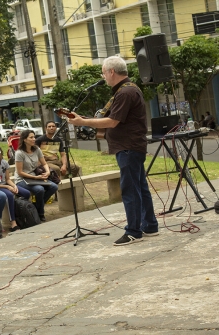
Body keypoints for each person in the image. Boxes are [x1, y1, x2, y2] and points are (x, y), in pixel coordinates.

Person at [68, 56, 159, 246]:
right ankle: (149, 225)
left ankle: (134, 231)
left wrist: (82, 122)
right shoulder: (127, 90)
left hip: (128, 147)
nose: (103, 77)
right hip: (131, 147)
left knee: (130, 190)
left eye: (103, 72)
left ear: (111, 72)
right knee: (140, 186)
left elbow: (112, 121)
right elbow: (110, 119)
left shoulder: (125, 93)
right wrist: (82, 119)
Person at [14, 130, 58, 222]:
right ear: (25, 139)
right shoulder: (19, 153)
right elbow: (20, 172)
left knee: (54, 187)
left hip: (35, 178)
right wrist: (35, 178)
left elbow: (44, 163)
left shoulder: (37, 149)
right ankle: (40, 213)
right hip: (22, 179)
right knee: (39, 189)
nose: (34, 139)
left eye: (34, 137)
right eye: (31, 137)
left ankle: (35, 206)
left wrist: (47, 172)